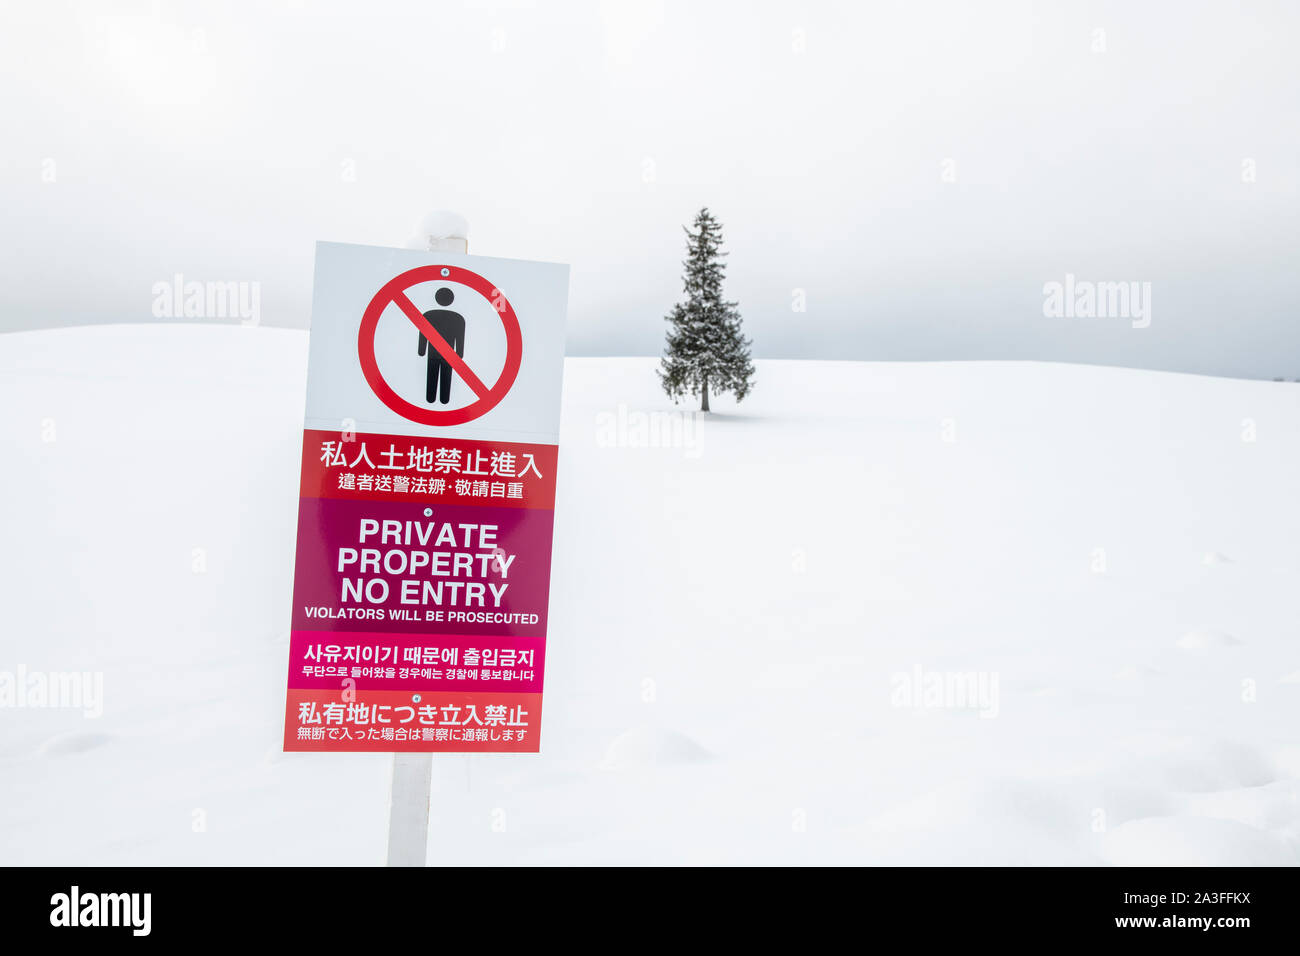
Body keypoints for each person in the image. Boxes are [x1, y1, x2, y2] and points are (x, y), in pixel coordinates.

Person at [416, 287, 466, 404]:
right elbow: (460, 338)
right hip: (449, 356)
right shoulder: (458, 318)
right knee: (446, 377)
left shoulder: (428, 315)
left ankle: (430, 399)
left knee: (431, 376)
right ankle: (444, 400)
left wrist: (421, 351)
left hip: (432, 354)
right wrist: (459, 354)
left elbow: (422, 337)